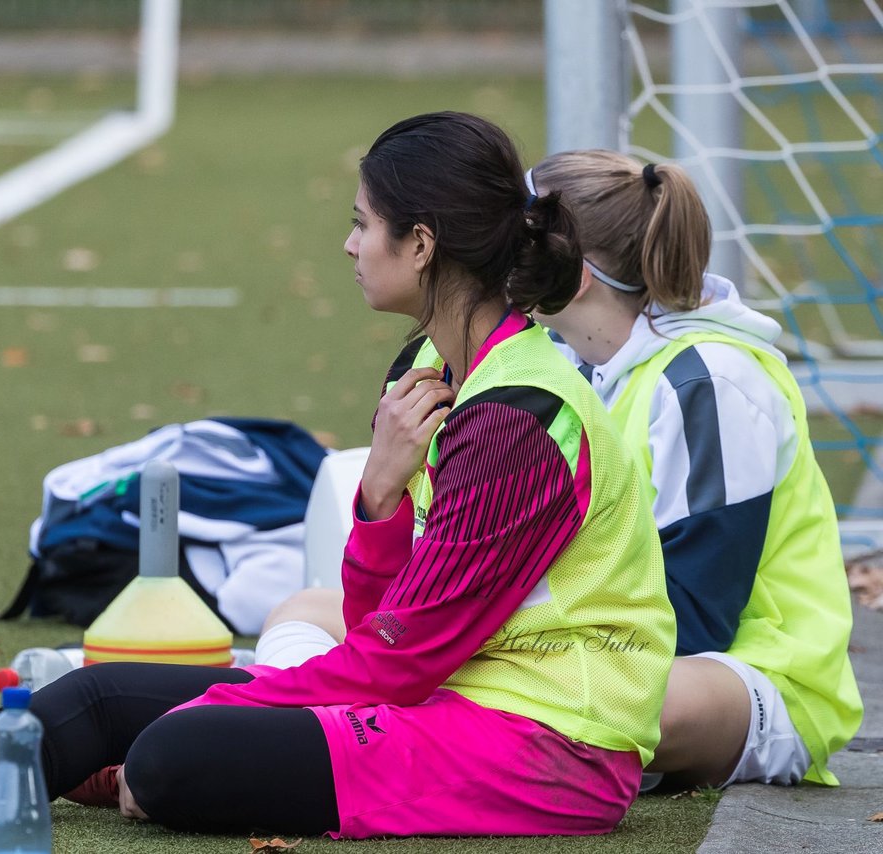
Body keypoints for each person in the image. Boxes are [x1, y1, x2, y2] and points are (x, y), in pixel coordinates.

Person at [0, 113, 676, 839]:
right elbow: (378, 630)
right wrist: (376, 497)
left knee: (173, 754)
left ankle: (156, 767)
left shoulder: (518, 420)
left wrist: (242, 697)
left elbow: (398, 659)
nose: (346, 243)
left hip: (544, 749)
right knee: (95, 693)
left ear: (421, 240)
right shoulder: (428, 370)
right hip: (447, 701)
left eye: (362, 223)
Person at [259, 149, 863, 791]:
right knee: (306, 610)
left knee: (594, 704)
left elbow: (697, 616)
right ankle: (281, 732)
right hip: (564, 647)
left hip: (736, 672)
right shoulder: (550, 362)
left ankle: (318, 743)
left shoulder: (712, 381)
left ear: (568, 274)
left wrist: (483, 642)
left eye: (513, 241)